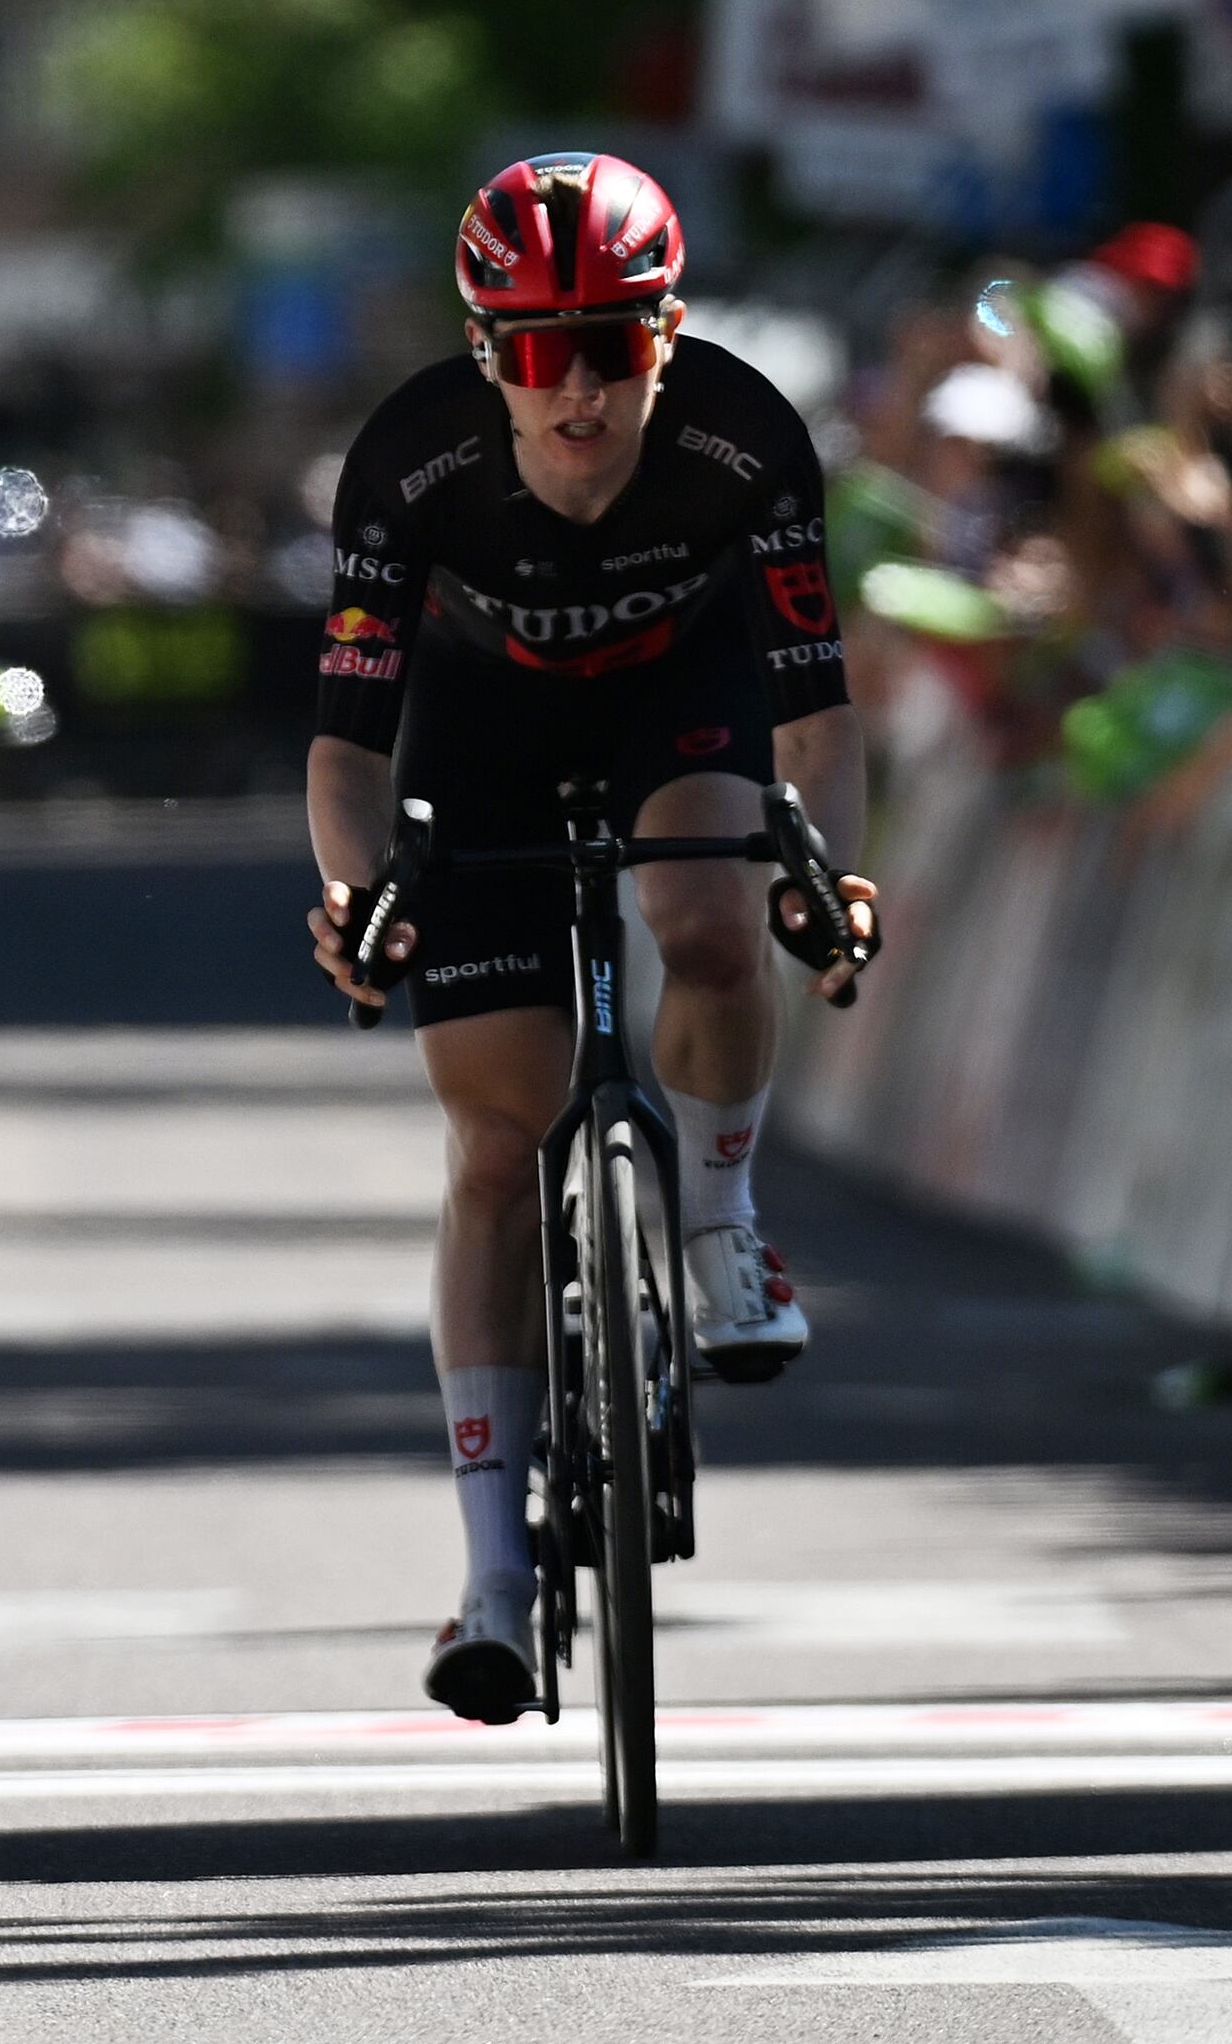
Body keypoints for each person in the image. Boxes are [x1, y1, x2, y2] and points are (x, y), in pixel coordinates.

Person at [303, 152, 881, 1725]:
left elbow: (819, 722)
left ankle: (722, 1219)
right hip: (471, 730)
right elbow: (348, 756)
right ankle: (493, 1576)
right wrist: (363, 897)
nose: (578, 390)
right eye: (540, 353)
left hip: (677, 696)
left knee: (705, 908)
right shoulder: (413, 463)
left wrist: (826, 872)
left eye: (613, 347)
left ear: (668, 336)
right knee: (498, 1145)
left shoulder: (741, 436)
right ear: (486, 352)